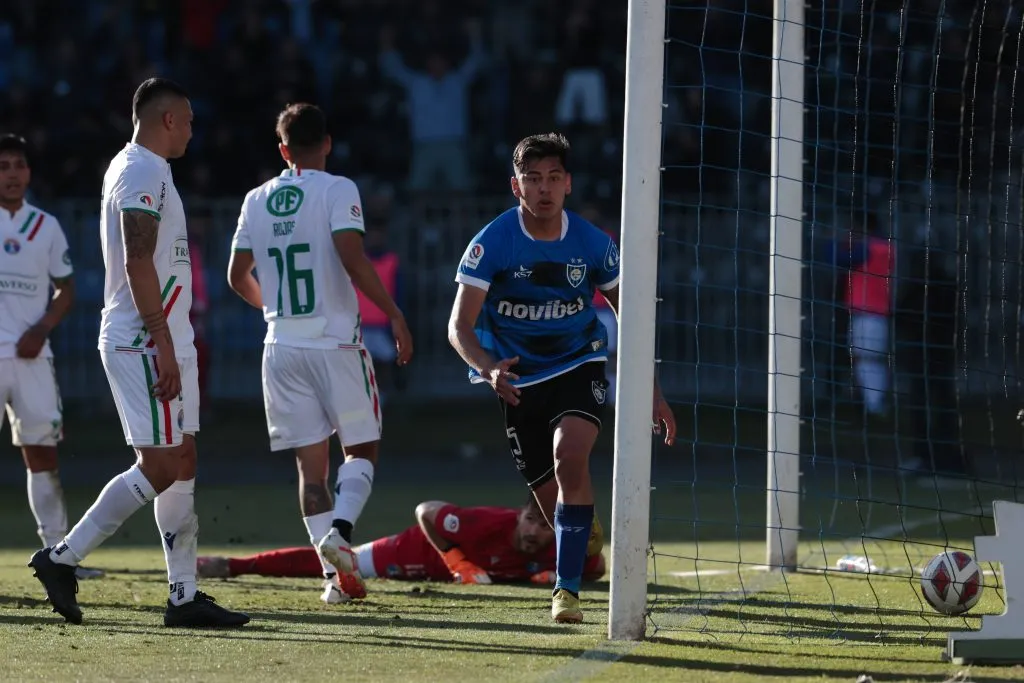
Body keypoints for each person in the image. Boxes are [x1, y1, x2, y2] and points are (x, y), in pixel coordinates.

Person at [27, 78, 249, 628]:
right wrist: (164, 340)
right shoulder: (140, 169)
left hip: (166, 335)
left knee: (183, 457)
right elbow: (137, 261)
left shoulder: (147, 168)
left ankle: (183, 595)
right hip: (143, 338)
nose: (194, 129)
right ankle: (62, 559)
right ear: (167, 119)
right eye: (190, 119)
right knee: (160, 463)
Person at [446, 133, 676, 623]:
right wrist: (488, 369)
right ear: (516, 186)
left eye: (553, 178)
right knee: (553, 500)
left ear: (568, 184)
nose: (544, 189)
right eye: (533, 180)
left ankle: (565, 592)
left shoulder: (592, 244)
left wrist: (652, 391)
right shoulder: (492, 243)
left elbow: (632, 316)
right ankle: (583, 531)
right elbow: (459, 326)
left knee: (570, 455)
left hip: (579, 362)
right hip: (517, 378)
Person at [227, 103, 413, 605]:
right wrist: (393, 313)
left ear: (283, 151)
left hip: (281, 347)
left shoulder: (256, 198)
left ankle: (334, 580)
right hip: (335, 344)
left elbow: (235, 275)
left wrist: (277, 310)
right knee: (362, 451)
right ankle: (339, 536)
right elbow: (352, 257)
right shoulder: (338, 189)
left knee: (312, 471)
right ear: (327, 143)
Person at [0, 134, 103, 581]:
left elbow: (67, 290)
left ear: (29, 172)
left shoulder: (45, 226)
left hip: (32, 357)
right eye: (3, 166)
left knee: (41, 454)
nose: (12, 174)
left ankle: (58, 555)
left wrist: (41, 329)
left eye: (19, 165)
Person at [196, 497, 605, 591]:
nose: (535, 531)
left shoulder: (557, 546)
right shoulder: (486, 524)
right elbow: (426, 509)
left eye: (545, 526)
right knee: (339, 567)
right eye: (530, 519)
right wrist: (455, 560)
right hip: (416, 553)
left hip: (446, 574)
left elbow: (596, 569)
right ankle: (235, 565)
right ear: (519, 515)